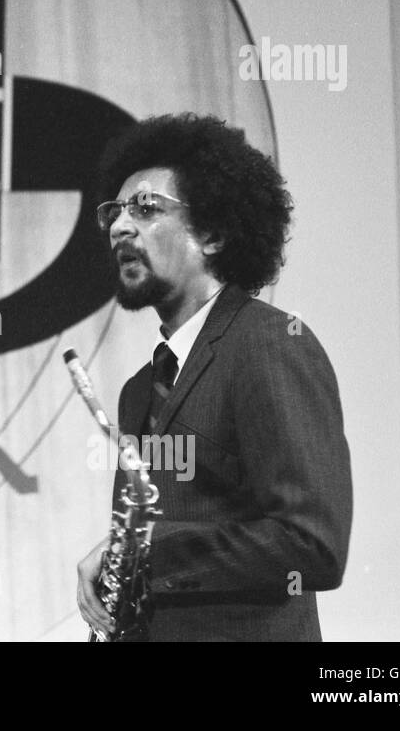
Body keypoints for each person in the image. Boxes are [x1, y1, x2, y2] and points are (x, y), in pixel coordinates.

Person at [76, 112, 353, 641]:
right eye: (114, 211)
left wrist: (149, 552)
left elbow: (313, 544)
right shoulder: (141, 389)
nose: (118, 226)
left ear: (214, 234)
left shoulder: (269, 345)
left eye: (146, 208)